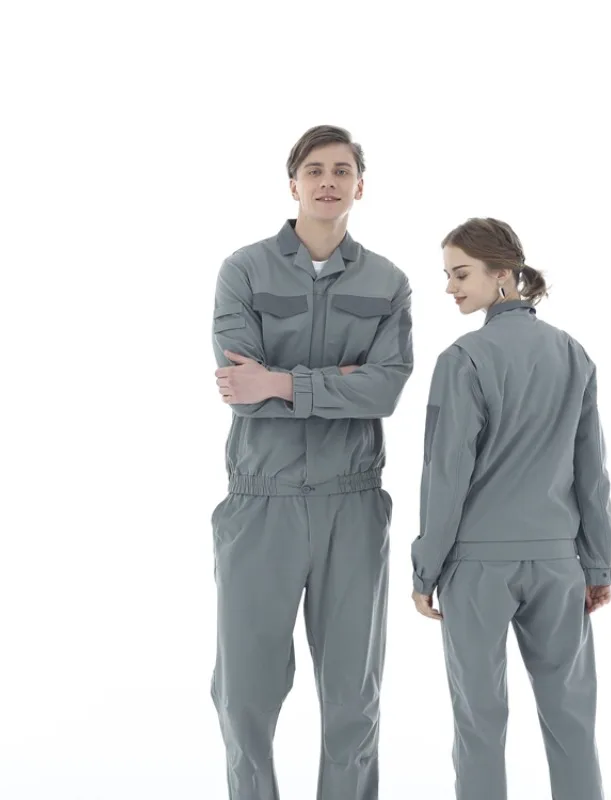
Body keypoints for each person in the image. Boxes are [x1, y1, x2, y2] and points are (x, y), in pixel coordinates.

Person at [210, 125, 413, 800]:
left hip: (352, 504)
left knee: (354, 700)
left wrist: (280, 380)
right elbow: (241, 392)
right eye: (316, 170)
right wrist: (338, 383)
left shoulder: (388, 282)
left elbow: (385, 391)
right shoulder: (243, 270)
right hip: (259, 502)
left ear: (361, 185)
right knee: (244, 694)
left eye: (342, 170)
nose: (329, 181)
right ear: (293, 183)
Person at [410, 217, 611, 800]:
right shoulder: (572, 354)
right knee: (572, 722)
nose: (449, 287)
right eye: (447, 275)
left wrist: (425, 570)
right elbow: (592, 474)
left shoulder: (463, 359)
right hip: (558, 564)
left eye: (460, 274)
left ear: (503, 274)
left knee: (478, 725)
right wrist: (598, 564)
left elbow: (444, 478)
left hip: (477, 568)